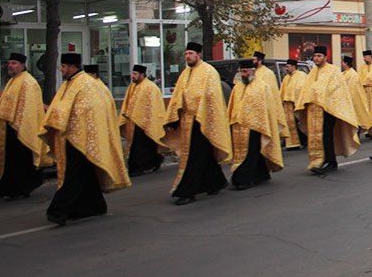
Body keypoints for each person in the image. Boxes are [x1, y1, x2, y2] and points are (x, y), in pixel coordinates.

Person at [42, 53, 130, 226]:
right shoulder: (69, 84)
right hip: (70, 137)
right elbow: (59, 107)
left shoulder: (86, 84)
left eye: (64, 66)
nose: (61, 69)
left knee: (73, 176)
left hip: (83, 138)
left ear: (73, 67)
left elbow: (89, 110)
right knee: (85, 175)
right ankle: (93, 206)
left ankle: (58, 211)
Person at [163, 42, 232, 206]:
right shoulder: (185, 73)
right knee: (204, 155)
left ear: (199, 54)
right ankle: (217, 181)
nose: (188, 56)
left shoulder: (208, 72)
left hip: (204, 121)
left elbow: (212, 97)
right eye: (186, 53)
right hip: (188, 121)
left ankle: (188, 192)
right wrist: (174, 118)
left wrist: (202, 113)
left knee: (194, 157)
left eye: (191, 53)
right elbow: (178, 96)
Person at [295, 46, 362, 174]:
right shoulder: (313, 72)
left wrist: (323, 100)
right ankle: (319, 160)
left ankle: (330, 161)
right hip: (313, 111)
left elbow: (336, 89)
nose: (317, 58)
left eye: (319, 56)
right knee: (317, 137)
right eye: (315, 56)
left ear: (325, 57)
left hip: (329, 110)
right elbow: (307, 89)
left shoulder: (333, 71)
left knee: (326, 135)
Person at [0, 52, 45, 200]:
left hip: (20, 129)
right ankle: (10, 190)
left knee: (20, 162)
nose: (10, 65)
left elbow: (29, 108)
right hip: (9, 129)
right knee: (11, 162)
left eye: (14, 63)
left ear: (22, 65)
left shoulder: (28, 82)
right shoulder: (13, 81)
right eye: (9, 63)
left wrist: (19, 124)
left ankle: (21, 189)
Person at [227, 59, 284, 189]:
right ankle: (262, 174)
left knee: (250, 153)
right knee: (247, 152)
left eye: (245, 71)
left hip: (256, 126)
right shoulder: (237, 87)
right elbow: (232, 106)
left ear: (252, 71)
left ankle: (244, 179)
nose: (243, 74)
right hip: (239, 126)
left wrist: (262, 123)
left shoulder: (262, 86)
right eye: (241, 71)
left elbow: (268, 108)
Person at [118, 64, 166, 176]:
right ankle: (155, 160)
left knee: (142, 145)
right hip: (135, 121)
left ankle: (137, 167)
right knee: (142, 145)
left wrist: (149, 119)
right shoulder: (132, 86)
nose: (132, 76)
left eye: (135, 74)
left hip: (148, 121)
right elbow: (128, 102)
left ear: (142, 75)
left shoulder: (150, 87)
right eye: (132, 73)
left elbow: (155, 105)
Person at [252, 51, 288, 138]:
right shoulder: (254, 72)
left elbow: (270, 91)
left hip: (265, 105)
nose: (252, 62)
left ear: (259, 60)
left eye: (254, 60)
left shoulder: (267, 73)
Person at [279, 58, 308, 150]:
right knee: (290, 124)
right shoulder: (286, 77)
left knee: (299, 122)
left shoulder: (301, 75)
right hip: (287, 104)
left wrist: (295, 98)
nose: (286, 69)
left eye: (288, 67)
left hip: (296, 103)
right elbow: (282, 90)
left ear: (293, 66)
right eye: (286, 67)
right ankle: (293, 143)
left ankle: (305, 141)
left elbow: (301, 88)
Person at [340, 55, 372, 134]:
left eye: (343, 62)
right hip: (345, 100)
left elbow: (353, 89)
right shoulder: (344, 73)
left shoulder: (353, 74)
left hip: (352, 100)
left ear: (346, 63)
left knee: (355, 119)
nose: (341, 64)